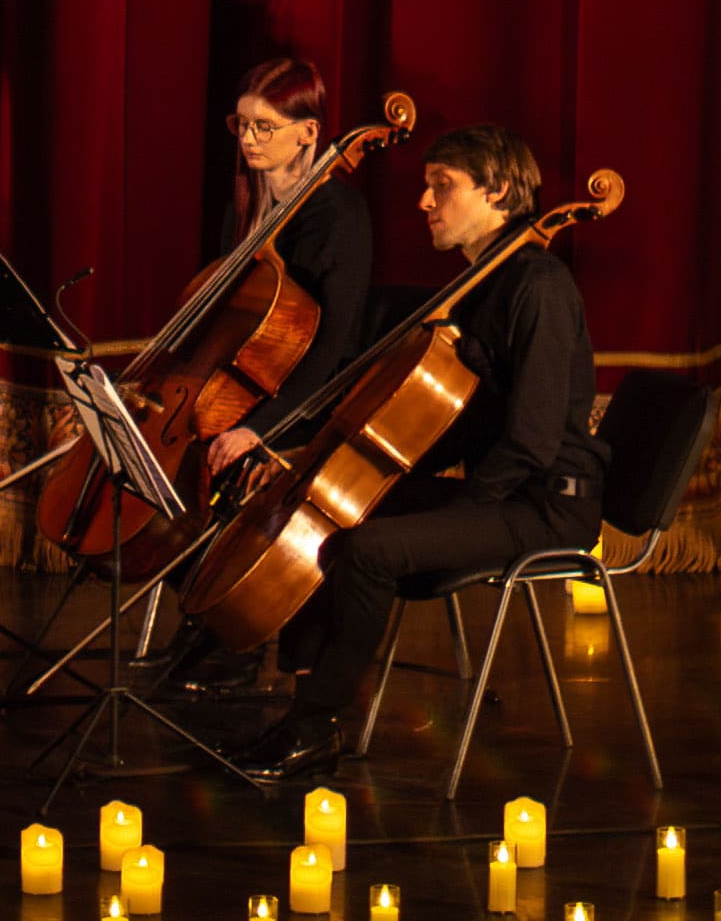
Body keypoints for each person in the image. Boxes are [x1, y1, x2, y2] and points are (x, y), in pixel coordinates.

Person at [250, 119, 597, 780]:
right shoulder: (481, 285)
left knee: (370, 550)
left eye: (443, 185)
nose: (424, 201)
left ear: (497, 192)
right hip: (503, 490)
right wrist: (366, 470)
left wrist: (458, 512)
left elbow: (531, 439)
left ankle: (315, 727)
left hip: (548, 505)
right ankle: (300, 694)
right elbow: (464, 425)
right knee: (334, 505)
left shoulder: (538, 287)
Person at [160, 52, 380, 693]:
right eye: (243, 125)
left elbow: (332, 347)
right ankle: (202, 617)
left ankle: (234, 633)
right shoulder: (246, 205)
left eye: (266, 127)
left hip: (310, 399)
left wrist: (263, 428)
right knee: (165, 475)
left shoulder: (336, 214)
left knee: (228, 473)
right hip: (247, 385)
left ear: (309, 132)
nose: (250, 140)